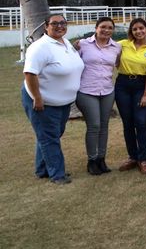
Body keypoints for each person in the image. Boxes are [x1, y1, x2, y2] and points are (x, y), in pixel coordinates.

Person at [22, 14, 84, 184]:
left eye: (63, 23)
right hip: (43, 101)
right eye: (54, 23)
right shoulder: (40, 47)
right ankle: (57, 174)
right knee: (49, 137)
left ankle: (42, 170)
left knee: (51, 135)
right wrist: (37, 97)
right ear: (46, 26)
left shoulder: (65, 43)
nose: (59, 26)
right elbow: (30, 73)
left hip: (63, 102)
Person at [75, 17, 120, 175]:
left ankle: (101, 159)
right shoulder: (83, 44)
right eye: (103, 27)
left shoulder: (116, 47)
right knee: (94, 125)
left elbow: (118, 64)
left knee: (104, 126)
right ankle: (92, 160)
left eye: (110, 28)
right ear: (96, 28)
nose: (106, 30)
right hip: (86, 90)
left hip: (107, 91)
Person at [116, 18, 146, 174]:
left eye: (141, 28)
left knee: (141, 122)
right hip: (122, 85)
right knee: (127, 123)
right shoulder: (122, 44)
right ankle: (132, 157)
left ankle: (143, 158)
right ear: (131, 32)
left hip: (140, 86)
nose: (138, 32)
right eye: (135, 29)